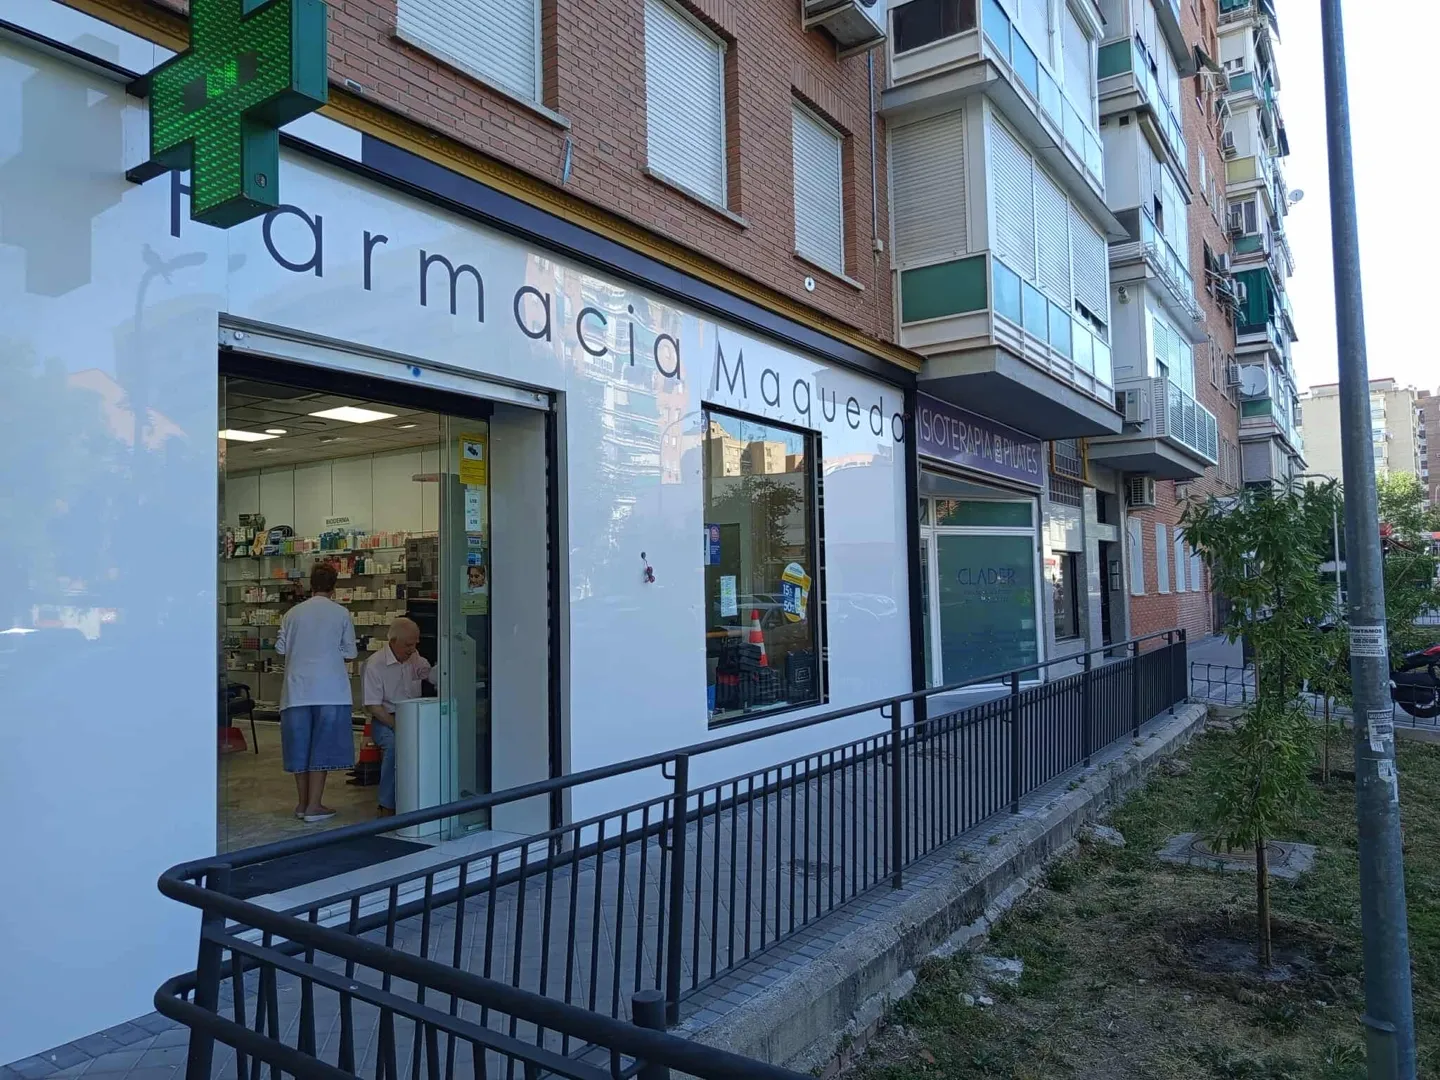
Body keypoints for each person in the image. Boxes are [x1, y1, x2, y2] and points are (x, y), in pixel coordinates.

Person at [274, 562, 357, 823]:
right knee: (322, 748)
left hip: (296, 690)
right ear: (334, 586)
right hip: (330, 691)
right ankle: (314, 806)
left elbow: (280, 649)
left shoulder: (292, 614)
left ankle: (302, 804)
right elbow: (351, 652)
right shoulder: (341, 613)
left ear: (311, 584)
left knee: (300, 748)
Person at [362, 617, 433, 818]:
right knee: (395, 747)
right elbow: (374, 706)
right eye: (408, 645)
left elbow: (428, 674)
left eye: (415, 644)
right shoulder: (375, 664)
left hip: (415, 714)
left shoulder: (414, 657)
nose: (412, 649)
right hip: (386, 718)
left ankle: (424, 798)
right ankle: (387, 805)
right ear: (393, 641)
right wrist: (398, 726)